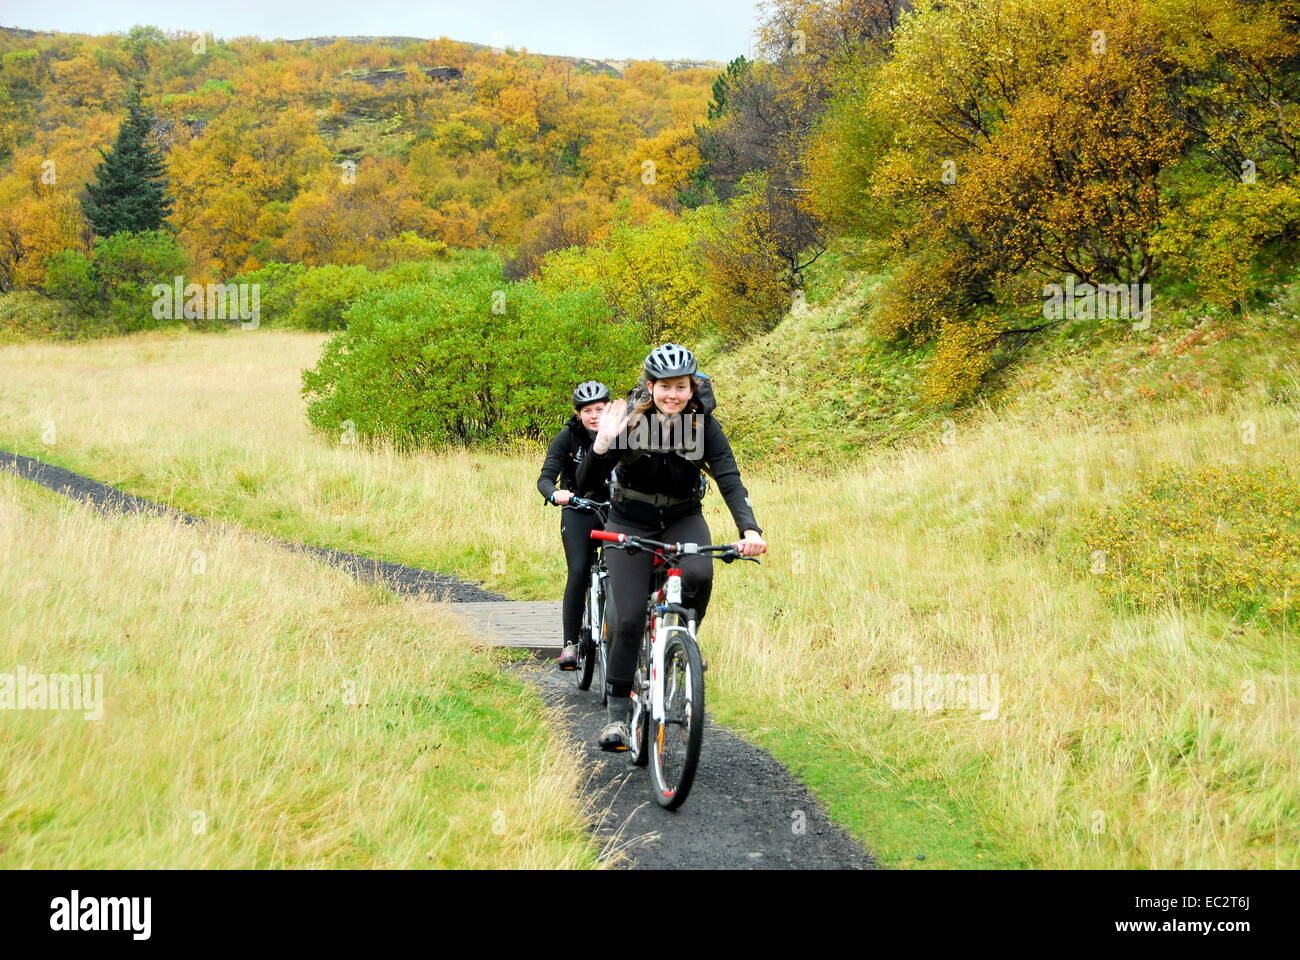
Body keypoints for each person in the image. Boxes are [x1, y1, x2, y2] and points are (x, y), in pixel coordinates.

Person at [577, 344, 766, 749]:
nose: (673, 395)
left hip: (682, 518)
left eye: (681, 387)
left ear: (692, 387)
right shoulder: (629, 421)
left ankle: (685, 646)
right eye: (665, 387)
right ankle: (618, 719)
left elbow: (729, 477)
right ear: (651, 387)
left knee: (699, 572)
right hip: (628, 521)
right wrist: (603, 443)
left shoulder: (704, 425)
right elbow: (586, 481)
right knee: (626, 619)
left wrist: (749, 530)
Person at [537, 381, 611, 669]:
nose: (594, 416)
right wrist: (555, 494)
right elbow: (545, 477)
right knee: (579, 571)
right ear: (578, 413)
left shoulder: (622, 434)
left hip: (614, 511)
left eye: (600, 409)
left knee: (621, 570)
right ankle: (570, 644)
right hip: (578, 509)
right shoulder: (567, 437)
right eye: (588, 411)